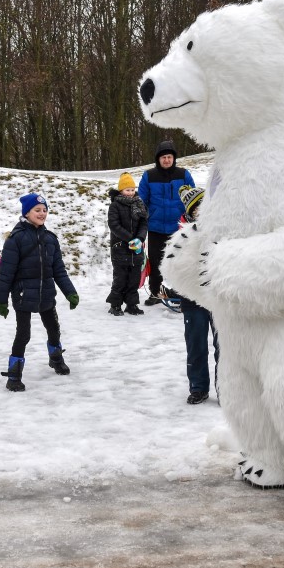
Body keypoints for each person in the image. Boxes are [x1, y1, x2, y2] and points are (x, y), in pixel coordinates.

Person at [0, 194, 80, 392]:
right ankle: (14, 375)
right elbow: (6, 273)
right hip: (23, 294)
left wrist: (70, 292)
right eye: (37, 210)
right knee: (23, 334)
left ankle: (56, 359)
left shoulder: (50, 239)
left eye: (44, 210)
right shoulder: (16, 239)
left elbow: (59, 270)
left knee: (54, 328)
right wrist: (1, 301)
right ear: (27, 213)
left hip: (46, 293)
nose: (42, 214)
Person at [174, 185, 220, 405]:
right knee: (196, 345)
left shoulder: (222, 229)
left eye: (204, 205)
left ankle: (227, 389)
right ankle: (198, 387)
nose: (201, 210)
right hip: (193, 299)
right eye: (196, 208)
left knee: (224, 347)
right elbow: (174, 266)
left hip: (218, 298)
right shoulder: (181, 236)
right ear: (190, 211)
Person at [138, 140, 195, 305]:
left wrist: (190, 218)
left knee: (180, 261)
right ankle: (155, 292)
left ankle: (181, 294)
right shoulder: (149, 176)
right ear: (158, 159)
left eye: (169, 157)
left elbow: (192, 199)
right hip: (155, 227)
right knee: (155, 261)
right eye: (163, 157)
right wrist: (143, 217)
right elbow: (142, 201)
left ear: (174, 158)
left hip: (178, 228)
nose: (167, 160)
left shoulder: (183, 175)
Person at [106, 172, 148, 316]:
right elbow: (114, 225)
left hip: (136, 249)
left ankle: (132, 305)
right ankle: (115, 305)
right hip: (120, 248)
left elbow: (143, 223)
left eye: (132, 189)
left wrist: (140, 239)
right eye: (127, 190)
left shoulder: (139, 204)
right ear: (121, 190)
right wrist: (130, 238)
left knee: (134, 279)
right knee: (120, 279)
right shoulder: (115, 206)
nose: (130, 192)